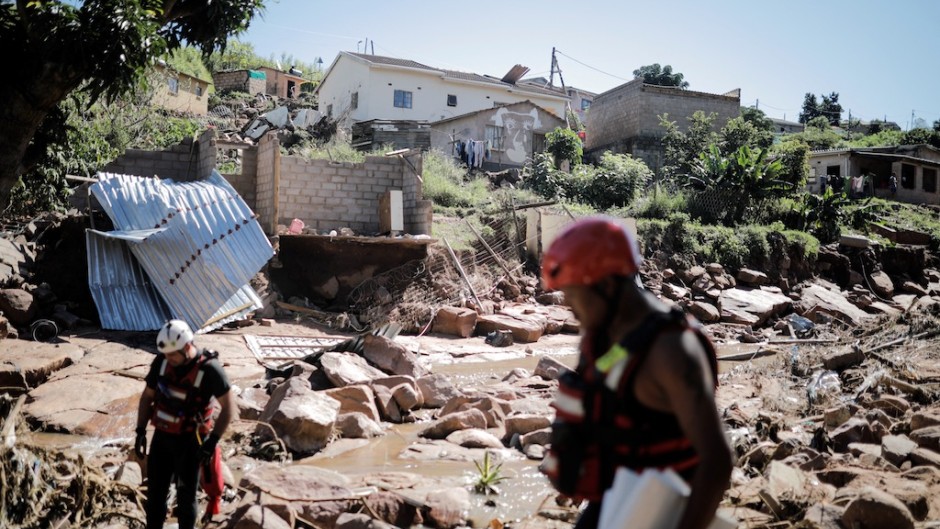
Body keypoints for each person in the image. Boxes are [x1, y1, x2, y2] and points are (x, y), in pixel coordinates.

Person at [539, 217, 732, 529]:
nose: (570, 309)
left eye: (573, 296)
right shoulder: (602, 335)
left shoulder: (673, 351)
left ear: (606, 286)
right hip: (615, 499)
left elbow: (717, 462)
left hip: (661, 510)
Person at [134, 319, 235, 529]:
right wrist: (140, 431)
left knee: (186, 497)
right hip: (162, 438)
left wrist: (212, 442)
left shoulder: (210, 369)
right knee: (155, 496)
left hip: (191, 442)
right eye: (166, 354)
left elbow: (228, 409)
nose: (169, 358)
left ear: (187, 347)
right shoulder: (162, 362)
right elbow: (147, 397)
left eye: (173, 354)